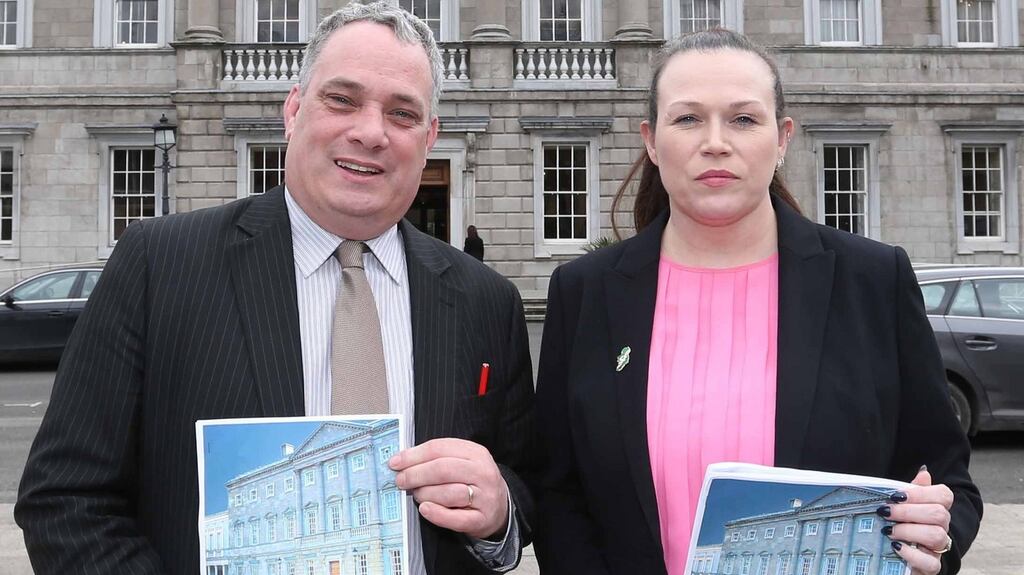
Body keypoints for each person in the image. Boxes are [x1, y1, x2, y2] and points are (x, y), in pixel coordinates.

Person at [15, 3, 536, 574]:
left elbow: (523, 482)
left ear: (430, 136)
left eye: (402, 113)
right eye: (342, 99)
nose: (370, 132)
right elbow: (65, 500)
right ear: (293, 110)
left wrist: (500, 514)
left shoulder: (487, 299)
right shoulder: (159, 265)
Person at [533, 29, 981, 575]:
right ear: (651, 141)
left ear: (783, 137)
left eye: (743, 119)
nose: (715, 142)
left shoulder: (874, 280)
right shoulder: (584, 291)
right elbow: (558, 493)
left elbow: (946, 478)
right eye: (688, 118)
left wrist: (938, 532)